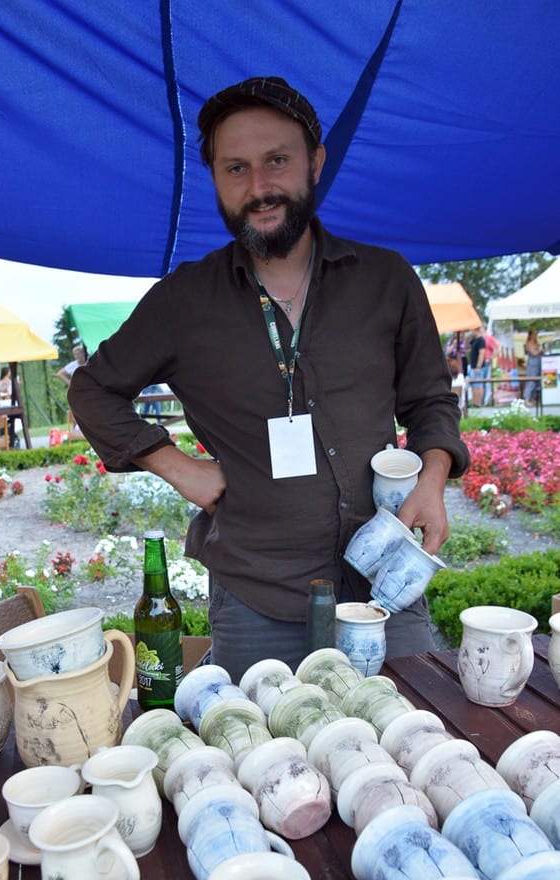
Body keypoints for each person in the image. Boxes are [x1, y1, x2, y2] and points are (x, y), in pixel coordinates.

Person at [69, 76, 469, 684]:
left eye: (276, 160)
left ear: (315, 161)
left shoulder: (385, 280)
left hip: (386, 581)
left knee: (413, 729)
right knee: (259, 742)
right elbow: (92, 389)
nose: (258, 187)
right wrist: (177, 467)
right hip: (256, 596)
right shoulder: (184, 301)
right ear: (216, 180)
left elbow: (431, 400)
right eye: (236, 169)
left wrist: (433, 477)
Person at [467, 326, 487, 408]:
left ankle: (478, 403)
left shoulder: (481, 340)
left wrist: (478, 366)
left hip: (478, 367)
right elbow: (467, 345)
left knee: (478, 385)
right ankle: (474, 402)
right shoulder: (473, 340)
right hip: (472, 366)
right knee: (473, 385)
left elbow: (482, 353)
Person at [523, 329, 543, 407]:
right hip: (532, 365)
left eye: (536, 334)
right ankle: (527, 399)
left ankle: (533, 398)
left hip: (538, 364)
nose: (535, 336)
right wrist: (540, 350)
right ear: (531, 335)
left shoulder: (536, 342)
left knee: (536, 382)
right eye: (534, 334)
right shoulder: (529, 343)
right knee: (531, 381)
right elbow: (534, 353)